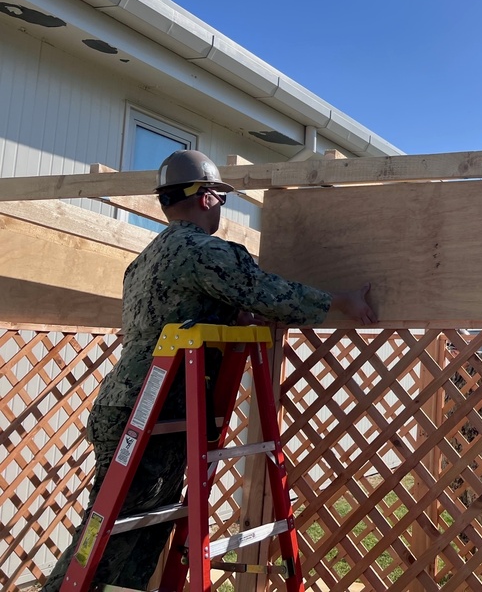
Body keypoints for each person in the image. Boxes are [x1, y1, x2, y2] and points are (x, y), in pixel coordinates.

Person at [43, 150, 376, 591]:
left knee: (130, 529)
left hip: (127, 405)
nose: (222, 206)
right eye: (220, 197)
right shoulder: (204, 251)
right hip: (156, 412)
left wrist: (227, 320)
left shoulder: (144, 261)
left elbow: (178, 314)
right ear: (205, 198)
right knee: (109, 538)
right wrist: (340, 301)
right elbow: (268, 292)